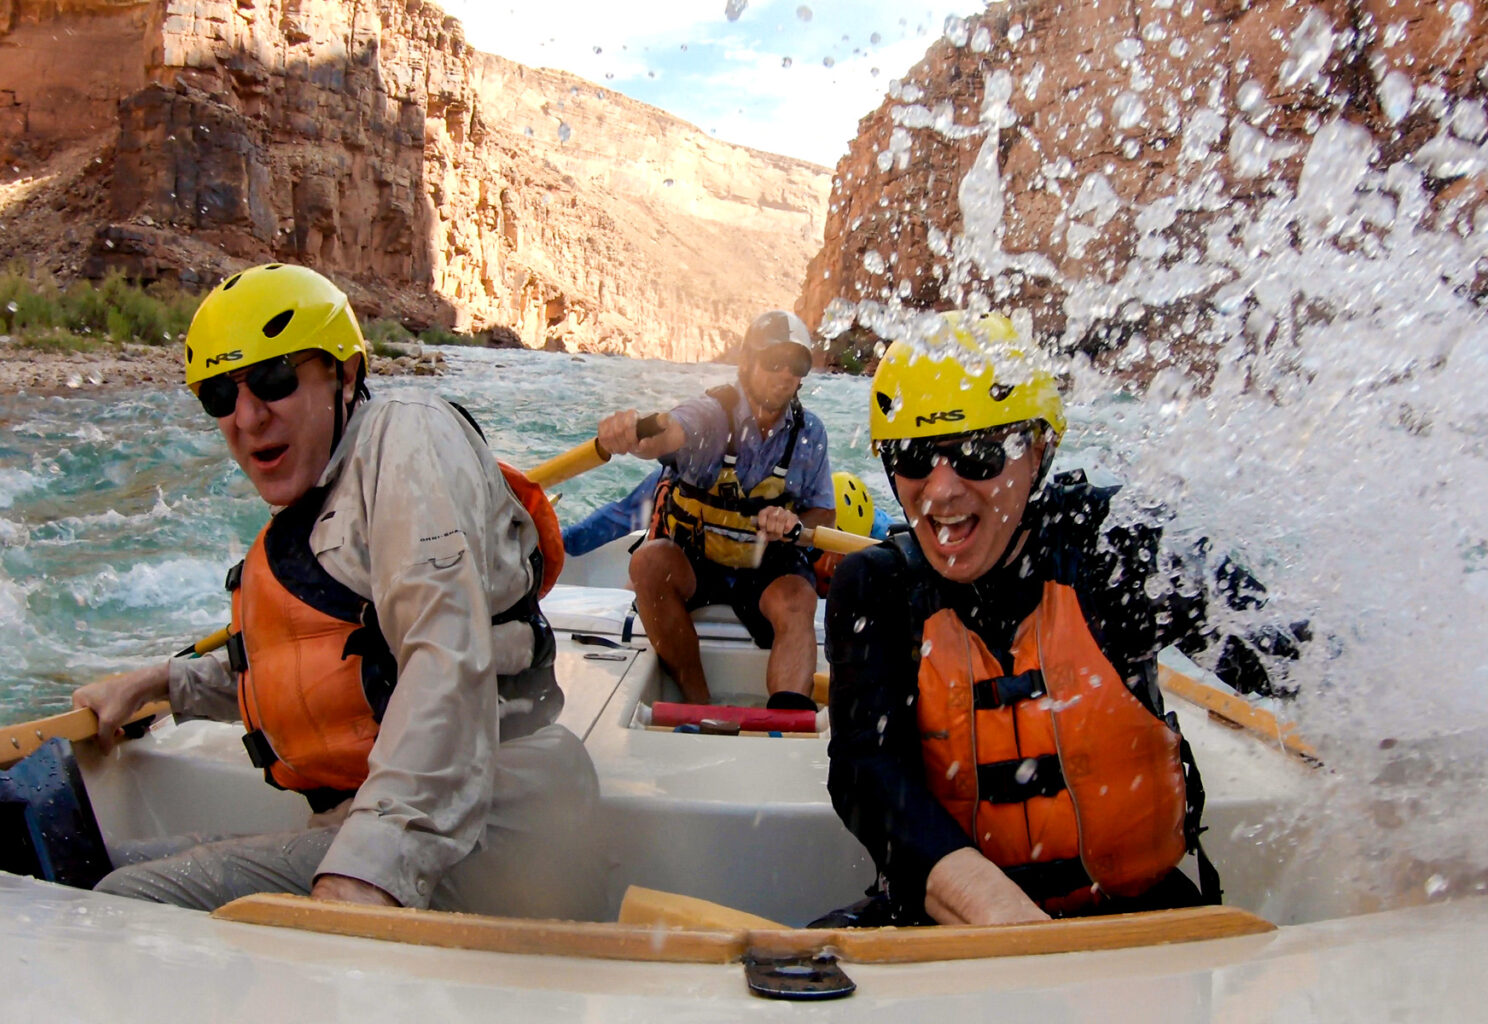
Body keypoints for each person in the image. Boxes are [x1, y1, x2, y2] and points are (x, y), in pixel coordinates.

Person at [72, 263, 601, 918]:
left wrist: (368, 872)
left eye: (274, 379)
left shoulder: (408, 437)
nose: (247, 415)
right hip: (413, 809)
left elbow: (446, 661)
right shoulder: (330, 487)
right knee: (105, 865)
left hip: (494, 815)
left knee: (122, 901)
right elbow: (330, 659)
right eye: (218, 394)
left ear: (345, 374)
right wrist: (162, 684)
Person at [823, 310, 1303, 927]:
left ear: (1039, 448)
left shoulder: (1119, 551)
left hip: (1138, 920)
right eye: (913, 456)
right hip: (952, 926)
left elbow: (1287, 657)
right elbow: (868, 772)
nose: (939, 492)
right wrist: (998, 912)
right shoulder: (876, 587)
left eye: (976, 452)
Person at [597, 310, 835, 708]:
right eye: (773, 361)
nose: (785, 375)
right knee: (649, 563)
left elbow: (824, 516)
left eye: (796, 365)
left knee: (799, 597)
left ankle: (787, 716)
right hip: (698, 557)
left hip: (766, 565)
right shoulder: (711, 413)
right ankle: (699, 704)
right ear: (747, 363)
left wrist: (795, 522)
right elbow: (667, 431)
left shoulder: (811, 434)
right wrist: (636, 432)